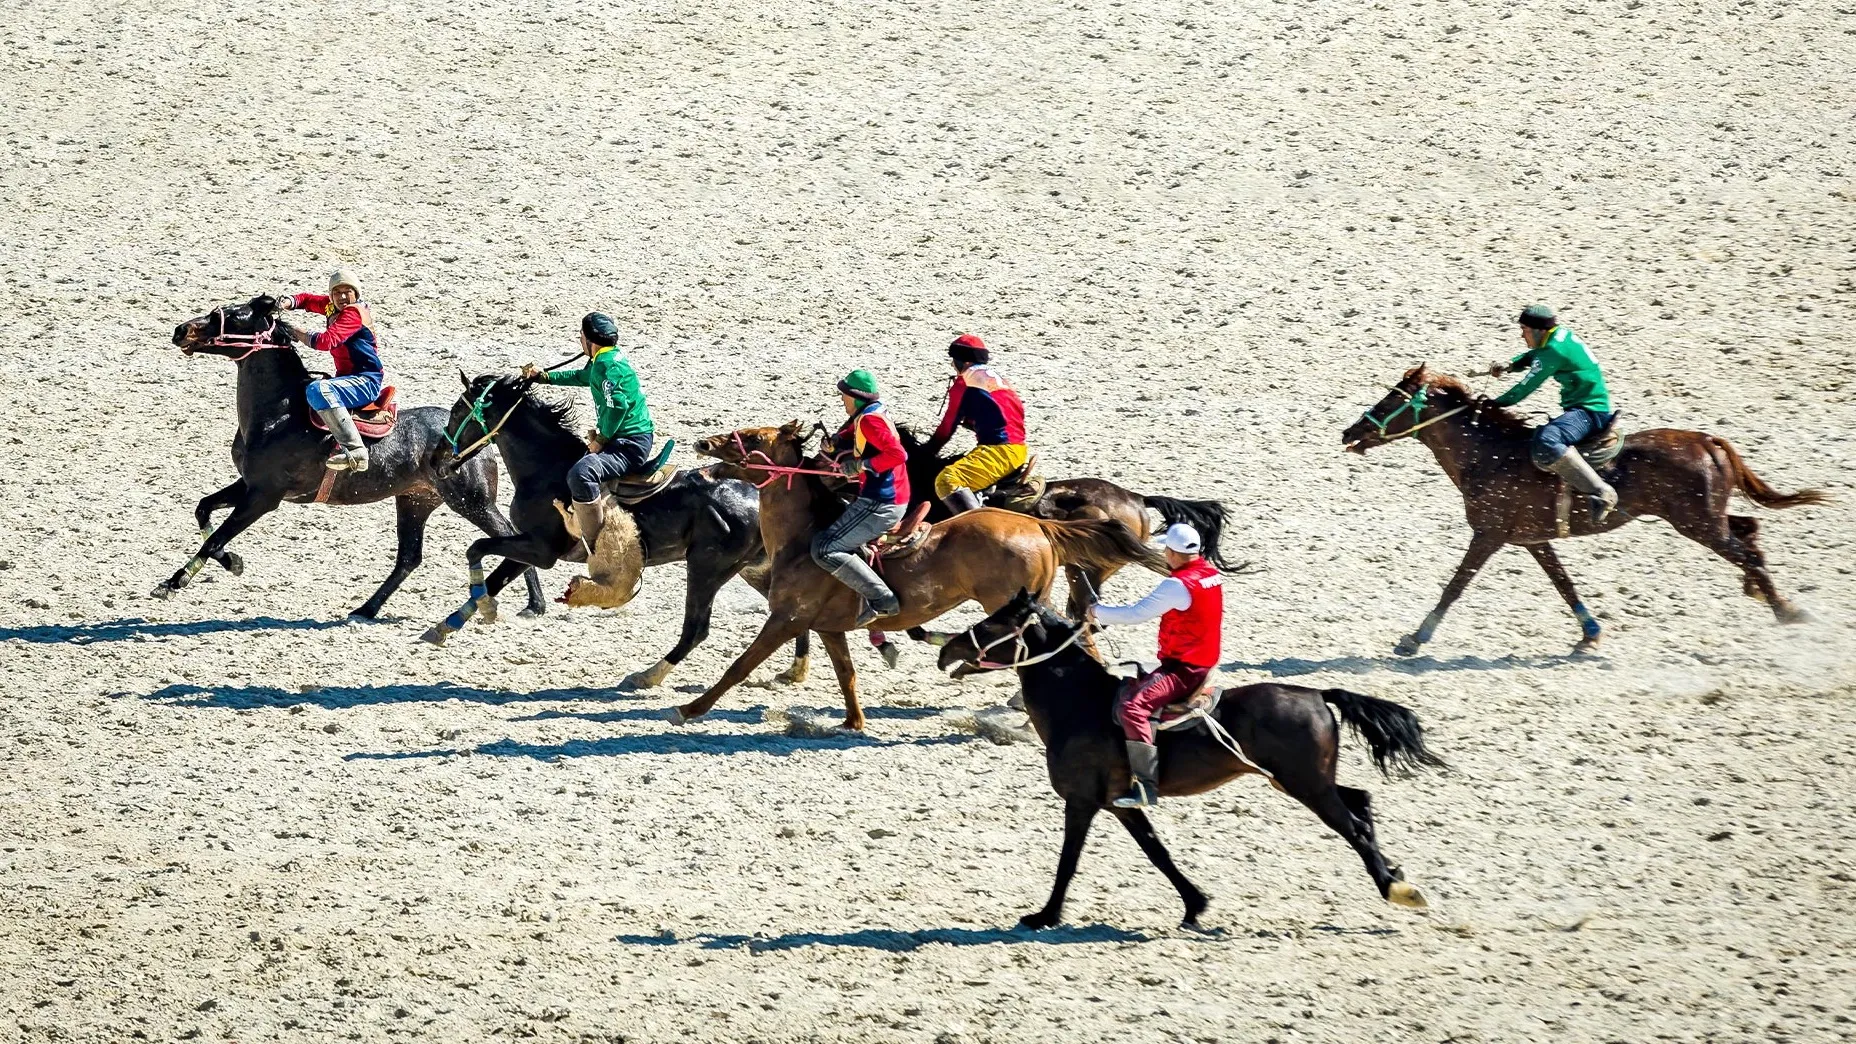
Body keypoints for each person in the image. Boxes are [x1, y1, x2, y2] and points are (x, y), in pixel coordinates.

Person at [1087, 523, 1224, 809]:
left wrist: (1096, 612)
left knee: (1132, 707)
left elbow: (1137, 614)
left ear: (1173, 553)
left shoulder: (1177, 585)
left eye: (1166, 550)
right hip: (1203, 658)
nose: (1164, 554)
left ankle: (1146, 786)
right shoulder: (1210, 573)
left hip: (1185, 668)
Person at [521, 313, 654, 556]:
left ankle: (600, 547)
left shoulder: (606, 365)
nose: (579, 339)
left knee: (581, 474)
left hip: (629, 444)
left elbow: (618, 407)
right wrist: (545, 378)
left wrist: (601, 441)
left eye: (581, 335)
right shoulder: (603, 360)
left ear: (589, 339)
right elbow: (583, 377)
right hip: (624, 438)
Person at [1488, 304, 1619, 521]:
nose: (1522, 336)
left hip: (1589, 413)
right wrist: (1511, 365)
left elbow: (1525, 388)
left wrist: (1495, 404)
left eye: (1525, 330)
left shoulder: (1553, 351)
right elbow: (1535, 356)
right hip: (1589, 408)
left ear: (1539, 331)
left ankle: (1601, 491)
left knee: (1548, 439)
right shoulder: (1559, 337)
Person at [815, 370, 909, 627]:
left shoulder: (869, 421)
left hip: (882, 501)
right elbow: (853, 433)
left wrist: (861, 465)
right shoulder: (870, 413)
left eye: (845, 396)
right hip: (886, 494)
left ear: (856, 398)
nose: (843, 401)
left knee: (824, 549)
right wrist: (836, 441)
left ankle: (882, 600)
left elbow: (898, 455)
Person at [278, 268, 383, 471]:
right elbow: (308, 300)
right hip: (348, 378)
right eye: (337, 292)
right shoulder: (331, 307)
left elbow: (326, 342)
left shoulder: (353, 314)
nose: (342, 296)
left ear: (356, 293)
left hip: (365, 381)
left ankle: (356, 451)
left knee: (317, 390)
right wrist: (288, 302)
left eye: (347, 291)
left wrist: (293, 331)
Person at [925, 333, 1028, 515]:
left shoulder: (965, 382)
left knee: (947, 480)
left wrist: (927, 452)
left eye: (954, 360)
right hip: (1017, 449)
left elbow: (947, 427)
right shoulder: (999, 380)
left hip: (999, 451)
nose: (952, 365)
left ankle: (979, 529)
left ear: (964, 363)